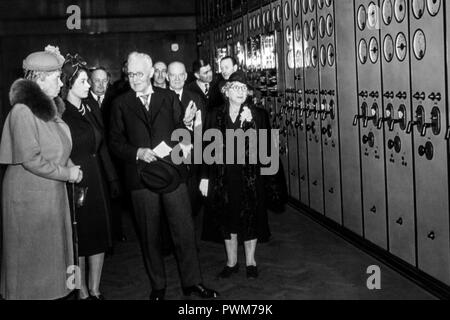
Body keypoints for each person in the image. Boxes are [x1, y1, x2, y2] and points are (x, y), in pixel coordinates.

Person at [109, 51, 218, 300]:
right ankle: (158, 286)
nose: (134, 78)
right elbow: (115, 142)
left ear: (150, 73)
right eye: (131, 73)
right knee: (149, 237)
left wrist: (187, 124)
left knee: (185, 232)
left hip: (172, 175)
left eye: (139, 73)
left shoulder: (168, 97)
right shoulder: (121, 103)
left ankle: (193, 283)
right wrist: (137, 152)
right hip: (140, 178)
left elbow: (178, 129)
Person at [0, 46, 82, 299]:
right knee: (33, 265)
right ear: (39, 79)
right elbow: (32, 160)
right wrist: (68, 174)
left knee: (52, 259)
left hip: (48, 194)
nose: (61, 82)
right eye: (57, 77)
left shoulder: (48, 110)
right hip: (29, 199)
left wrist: (68, 165)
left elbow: (55, 148)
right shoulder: (22, 112)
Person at [200, 71, 271, 280]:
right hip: (223, 176)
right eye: (236, 88)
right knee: (227, 218)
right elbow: (206, 147)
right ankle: (231, 262)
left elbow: (267, 148)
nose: (240, 92)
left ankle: (250, 261)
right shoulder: (215, 114)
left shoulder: (258, 113)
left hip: (249, 176)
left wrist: (253, 124)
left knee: (250, 217)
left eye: (244, 88)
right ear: (226, 91)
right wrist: (204, 177)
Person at [61, 54, 115, 300]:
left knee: (99, 234)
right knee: (79, 238)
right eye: (83, 81)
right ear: (68, 83)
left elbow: (102, 144)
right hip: (76, 179)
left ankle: (95, 288)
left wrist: (112, 179)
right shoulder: (61, 113)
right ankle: (80, 289)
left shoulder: (91, 107)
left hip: (96, 177)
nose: (89, 85)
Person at [86, 66, 126, 242]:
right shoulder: (84, 101)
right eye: (97, 81)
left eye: (104, 81)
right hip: (95, 157)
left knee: (116, 195)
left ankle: (117, 232)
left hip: (114, 157)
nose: (101, 84)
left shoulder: (116, 100)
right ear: (90, 82)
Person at [167, 61, 206, 216]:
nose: (177, 79)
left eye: (180, 75)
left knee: (191, 206)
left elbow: (201, 130)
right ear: (167, 77)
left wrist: (190, 126)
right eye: (173, 75)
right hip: (169, 160)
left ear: (185, 76)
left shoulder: (195, 98)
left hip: (191, 160)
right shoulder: (160, 98)